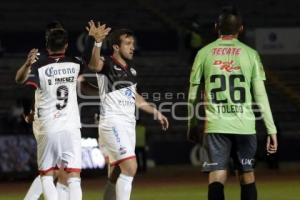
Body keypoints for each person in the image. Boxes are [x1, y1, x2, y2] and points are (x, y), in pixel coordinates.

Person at [187, 6, 278, 200]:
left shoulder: (204, 53)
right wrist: (271, 130)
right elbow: (261, 96)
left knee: (217, 175)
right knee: (247, 175)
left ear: (216, 27)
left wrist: (192, 124)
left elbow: (193, 94)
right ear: (241, 29)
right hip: (245, 126)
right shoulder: (251, 54)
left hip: (216, 126)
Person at [21, 26, 110, 200]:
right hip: (70, 126)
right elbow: (89, 62)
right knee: (73, 178)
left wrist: (29, 112)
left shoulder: (39, 66)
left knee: (48, 174)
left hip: (48, 125)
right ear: (67, 45)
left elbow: (26, 88)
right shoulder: (74, 63)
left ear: (47, 45)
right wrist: (93, 39)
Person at [86, 22, 169, 200]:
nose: (132, 47)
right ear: (116, 46)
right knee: (131, 167)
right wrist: (98, 43)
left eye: (133, 44)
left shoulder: (131, 71)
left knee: (116, 172)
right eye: (128, 44)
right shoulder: (106, 63)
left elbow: (136, 99)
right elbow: (93, 66)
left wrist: (156, 112)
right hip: (112, 123)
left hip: (127, 125)